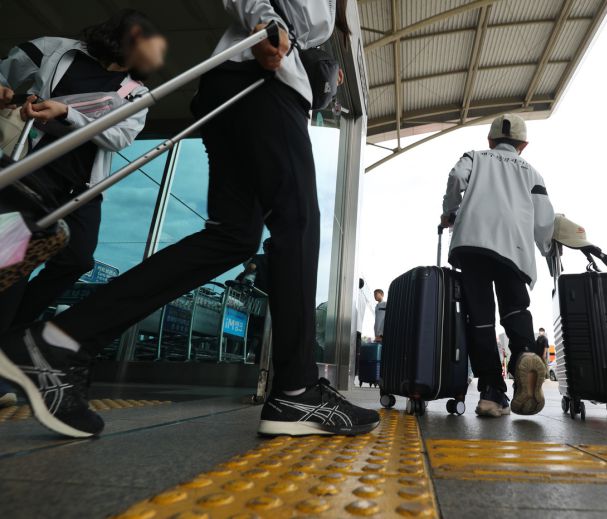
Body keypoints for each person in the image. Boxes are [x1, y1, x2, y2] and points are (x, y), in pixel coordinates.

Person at [0, 0, 380, 439]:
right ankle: (295, 390)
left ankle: (59, 342)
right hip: (261, 78)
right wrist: (264, 19)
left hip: (247, 81)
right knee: (297, 222)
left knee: (233, 237)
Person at [0, 10, 167, 333]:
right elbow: (6, 72)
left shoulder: (135, 91)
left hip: (82, 186)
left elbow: (119, 136)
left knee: (77, 260)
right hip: (30, 171)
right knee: (14, 259)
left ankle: (14, 329)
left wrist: (66, 113)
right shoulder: (54, 49)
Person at [440, 113, 555, 418]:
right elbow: (544, 220)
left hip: (473, 243)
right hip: (513, 248)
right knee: (515, 311)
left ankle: (491, 393)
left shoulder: (475, 156)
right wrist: (544, 248)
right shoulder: (532, 172)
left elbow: (455, 178)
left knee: (480, 320)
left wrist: (450, 212)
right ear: (523, 144)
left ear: (490, 140)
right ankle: (526, 358)